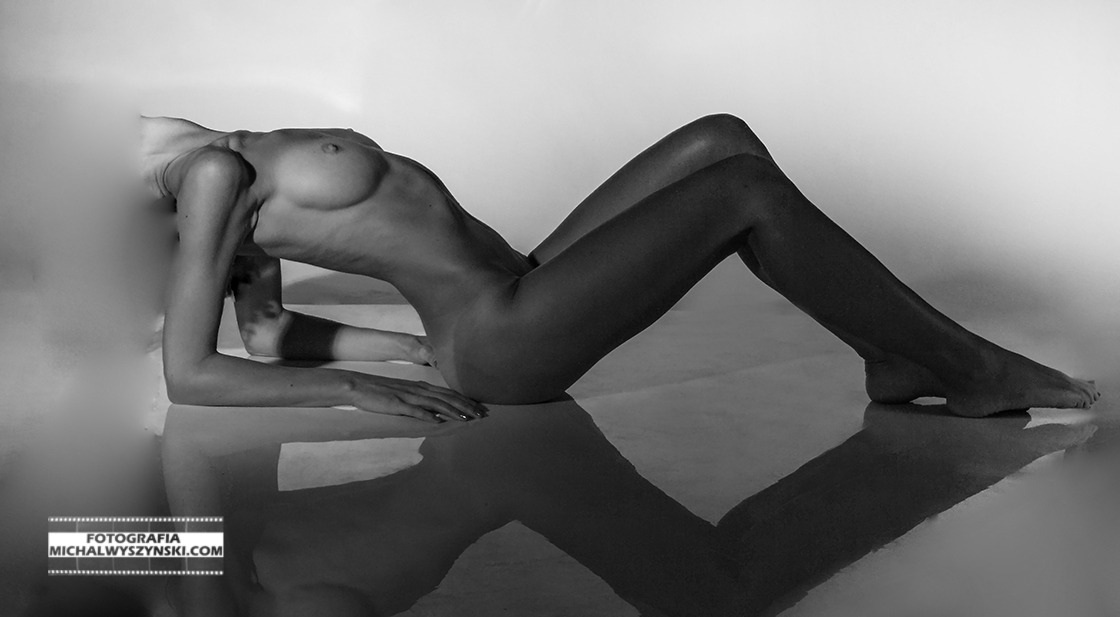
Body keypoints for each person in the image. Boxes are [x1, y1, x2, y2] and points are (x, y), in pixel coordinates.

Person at [138, 114, 1099, 423]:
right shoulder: (210, 177)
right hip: (501, 338)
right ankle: (973, 370)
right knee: (743, 192)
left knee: (721, 139)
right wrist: (356, 386)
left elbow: (268, 328)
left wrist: (402, 347)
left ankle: (890, 354)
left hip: (520, 279)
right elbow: (193, 373)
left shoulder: (193, 149)